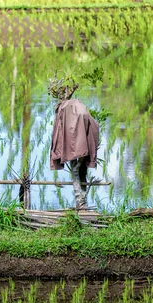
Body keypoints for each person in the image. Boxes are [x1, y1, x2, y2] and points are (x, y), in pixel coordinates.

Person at [49, 80, 99, 210]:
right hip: (79, 147)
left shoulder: (71, 109)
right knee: (78, 170)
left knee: (78, 170)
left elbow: (62, 131)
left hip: (78, 146)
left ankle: (81, 202)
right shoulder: (71, 108)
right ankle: (81, 202)